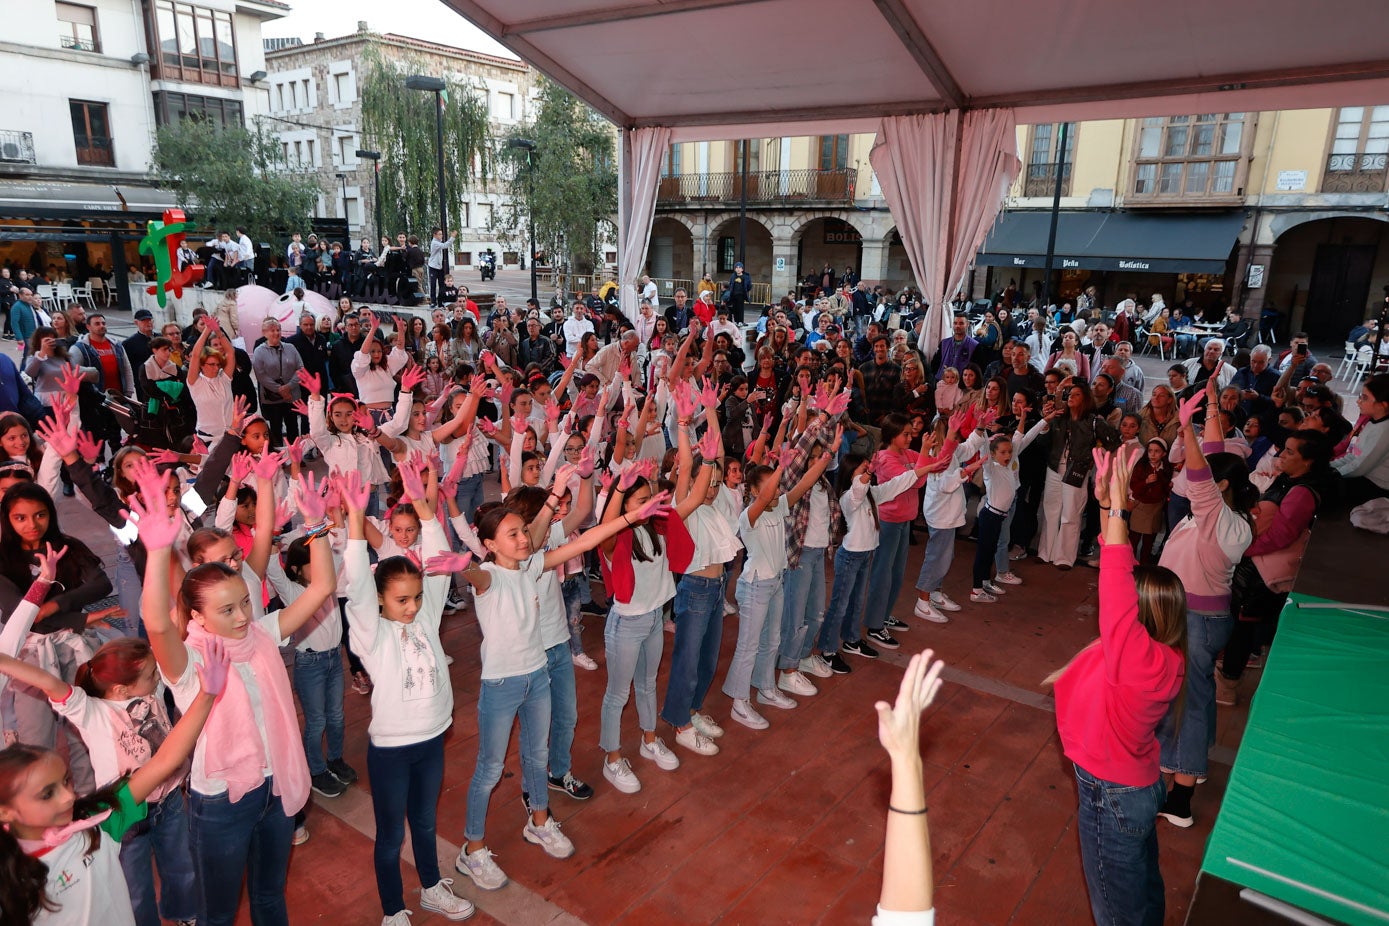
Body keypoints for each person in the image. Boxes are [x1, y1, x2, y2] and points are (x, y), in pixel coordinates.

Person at [134, 458, 335, 926]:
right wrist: (158, 549)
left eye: (244, 603)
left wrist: (317, 525)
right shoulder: (190, 661)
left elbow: (322, 585)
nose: (242, 616)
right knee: (218, 913)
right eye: (226, 611)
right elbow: (157, 622)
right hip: (222, 799)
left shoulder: (261, 633)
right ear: (199, 617)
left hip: (275, 783)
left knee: (270, 898)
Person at [0, 550, 226, 926]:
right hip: (125, 813)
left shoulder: (149, 693)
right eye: (152, 676)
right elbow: (50, 682)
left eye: (66, 783)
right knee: (134, 884)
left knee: (181, 868)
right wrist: (6, 662)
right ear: (122, 690)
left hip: (167, 798)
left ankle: (184, 914)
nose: (70, 795)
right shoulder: (90, 711)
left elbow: (166, 626)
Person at [1051, 447, 1187, 926]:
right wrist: (1111, 508)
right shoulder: (1161, 658)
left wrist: (1118, 513)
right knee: (1143, 892)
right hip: (1133, 786)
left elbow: (1114, 580)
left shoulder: (1139, 660)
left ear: (1140, 616)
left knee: (1115, 910)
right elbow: (1119, 584)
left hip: (1113, 795)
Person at [1155, 383, 1257, 829]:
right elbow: (1214, 456)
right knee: (1190, 700)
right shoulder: (1217, 516)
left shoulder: (1224, 523)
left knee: (1189, 705)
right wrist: (1211, 406)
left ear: (1221, 488)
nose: (1188, 477)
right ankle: (1180, 769)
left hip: (1195, 622)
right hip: (1187, 617)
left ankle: (1180, 797)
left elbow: (1202, 473)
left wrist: (1183, 428)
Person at [1332, 373, 1389, 505]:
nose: (1358, 401)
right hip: (1364, 477)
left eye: (1364, 398)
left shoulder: (1384, 430)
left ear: (1383, 405)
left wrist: (1331, 473)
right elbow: (1353, 456)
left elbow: (1359, 467)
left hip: (1377, 486)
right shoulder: (1372, 422)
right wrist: (1328, 467)